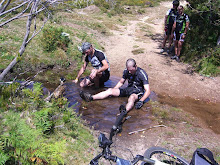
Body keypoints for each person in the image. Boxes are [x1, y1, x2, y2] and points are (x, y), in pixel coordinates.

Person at [80, 58, 151, 113]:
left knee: (132, 98)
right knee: (110, 90)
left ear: (135, 66)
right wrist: (114, 89)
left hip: (137, 92)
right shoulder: (127, 71)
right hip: (128, 89)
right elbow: (121, 82)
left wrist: (141, 101)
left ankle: (124, 111)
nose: (129, 72)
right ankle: (91, 98)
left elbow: (147, 91)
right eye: (128, 70)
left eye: (131, 70)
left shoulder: (142, 74)